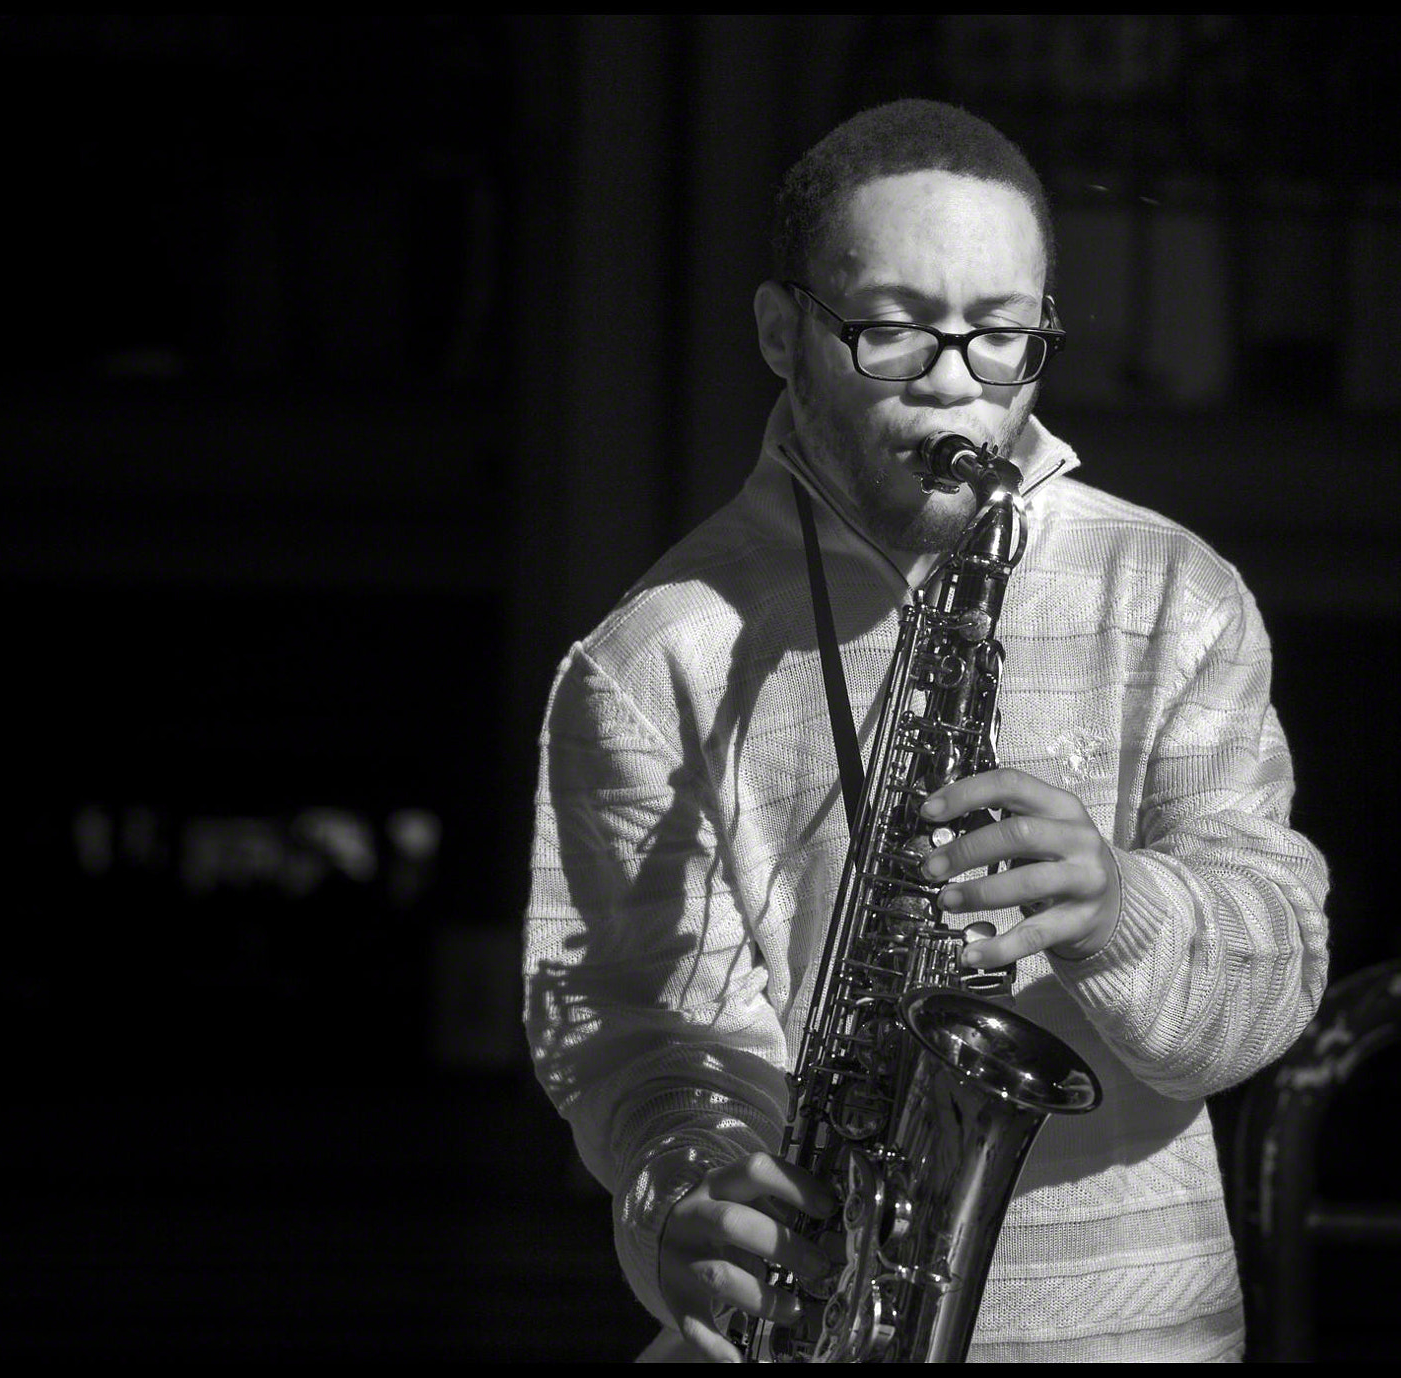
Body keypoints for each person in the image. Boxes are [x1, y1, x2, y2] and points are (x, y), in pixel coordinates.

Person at [523, 98, 1331, 1363]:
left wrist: (1122, 903)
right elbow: (639, 1042)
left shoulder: (1171, 592)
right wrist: (683, 1190)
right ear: (781, 333)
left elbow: (1274, 984)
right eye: (894, 330)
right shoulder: (645, 662)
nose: (958, 381)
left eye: (1003, 333)